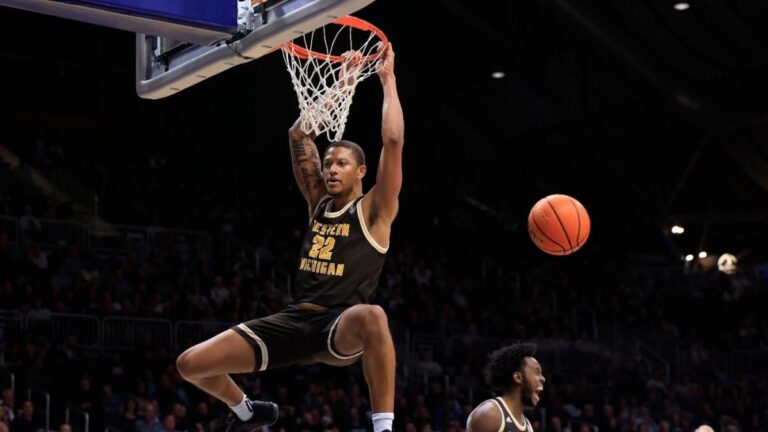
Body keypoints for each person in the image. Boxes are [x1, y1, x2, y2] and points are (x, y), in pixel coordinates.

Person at [176, 42, 404, 432]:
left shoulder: (375, 209)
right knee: (190, 364)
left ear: (361, 171)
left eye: (341, 163)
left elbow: (394, 143)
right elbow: (299, 134)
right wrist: (342, 83)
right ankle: (250, 412)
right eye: (328, 162)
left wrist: (387, 81)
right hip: (294, 320)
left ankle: (383, 427)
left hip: (339, 326)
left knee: (374, 315)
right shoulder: (317, 201)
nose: (331, 169)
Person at [467, 343, 546, 432]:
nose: (543, 379)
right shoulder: (490, 415)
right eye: (537, 372)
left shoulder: (528, 426)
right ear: (518, 377)